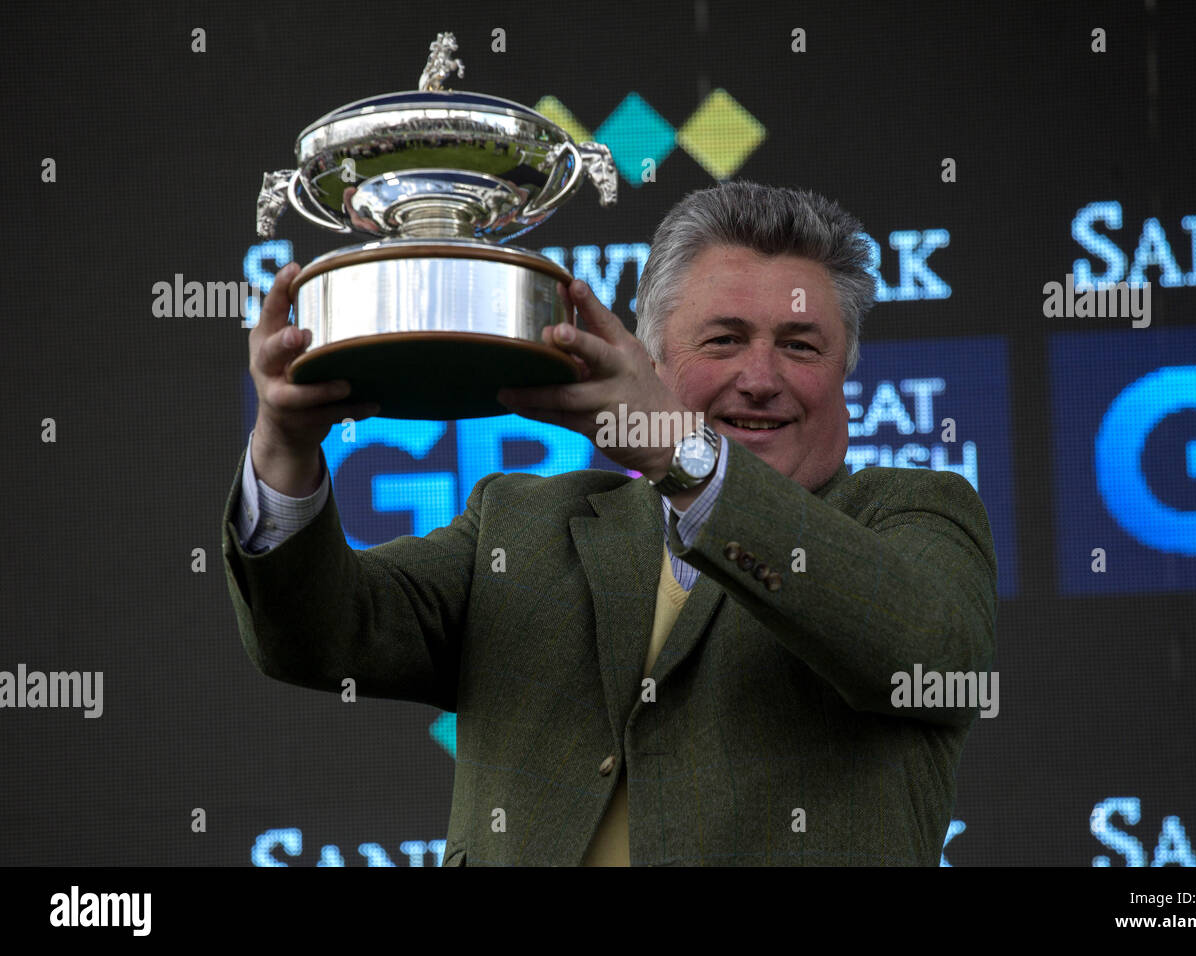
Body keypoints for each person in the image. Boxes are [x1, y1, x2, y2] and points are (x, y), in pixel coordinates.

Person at [222, 181, 997, 866]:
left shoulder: (911, 515)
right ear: (651, 364)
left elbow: (926, 649)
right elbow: (314, 636)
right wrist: (283, 448)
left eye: (799, 346)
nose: (760, 379)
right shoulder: (518, 525)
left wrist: (683, 455)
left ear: (843, 372)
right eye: (724, 339)